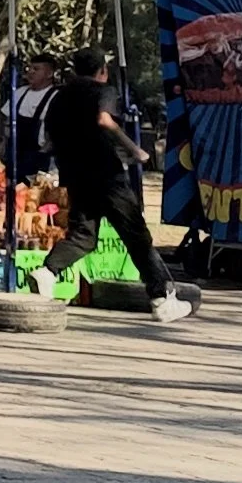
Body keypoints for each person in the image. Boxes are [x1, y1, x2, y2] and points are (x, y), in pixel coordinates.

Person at [32, 49, 193, 323]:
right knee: (136, 236)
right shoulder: (102, 91)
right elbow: (104, 120)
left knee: (83, 234)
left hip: (75, 174)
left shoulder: (60, 96)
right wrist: (135, 149)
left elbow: (48, 136)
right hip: (105, 174)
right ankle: (162, 298)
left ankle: (48, 270)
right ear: (102, 71)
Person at [12, 54, 59, 179]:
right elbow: (7, 122)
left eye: (36, 69)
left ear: (49, 73)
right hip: (15, 156)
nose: (31, 72)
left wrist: (41, 155)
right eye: (29, 68)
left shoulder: (57, 97)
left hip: (40, 159)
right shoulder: (19, 93)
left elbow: (56, 132)